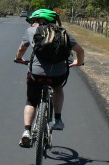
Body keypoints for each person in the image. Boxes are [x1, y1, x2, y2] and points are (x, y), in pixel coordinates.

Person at [13, 9, 84, 148]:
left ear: (40, 21)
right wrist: (78, 62)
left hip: (37, 74)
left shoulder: (31, 31)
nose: (32, 24)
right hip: (58, 74)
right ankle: (58, 120)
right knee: (57, 89)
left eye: (34, 21)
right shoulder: (62, 32)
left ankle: (27, 131)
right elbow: (80, 50)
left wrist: (19, 58)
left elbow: (22, 48)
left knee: (31, 100)